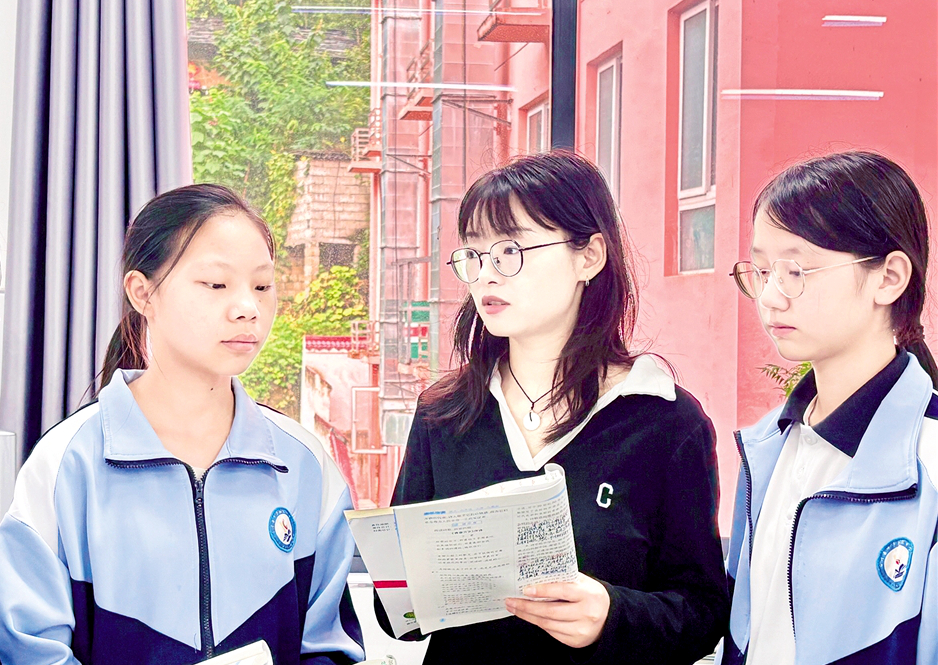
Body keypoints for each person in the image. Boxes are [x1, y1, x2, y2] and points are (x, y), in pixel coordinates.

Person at [383, 151, 729, 664]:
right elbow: (398, 615)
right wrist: (411, 593)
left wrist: (612, 615)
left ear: (589, 256)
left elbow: (702, 612)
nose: (486, 276)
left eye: (510, 250)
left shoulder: (663, 421)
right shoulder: (445, 413)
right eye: (474, 254)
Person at [0, 184, 364, 664]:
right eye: (216, 284)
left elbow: (331, 646)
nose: (248, 308)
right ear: (142, 293)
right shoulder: (65, 464)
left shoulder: (305, 464)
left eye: (262, 286)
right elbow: (29, 650)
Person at [719, 151, 938, 665]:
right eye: (762, 270)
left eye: (796, 270)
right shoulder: (767, 449)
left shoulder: (928, 465)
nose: (770, 298)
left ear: (889, 277)